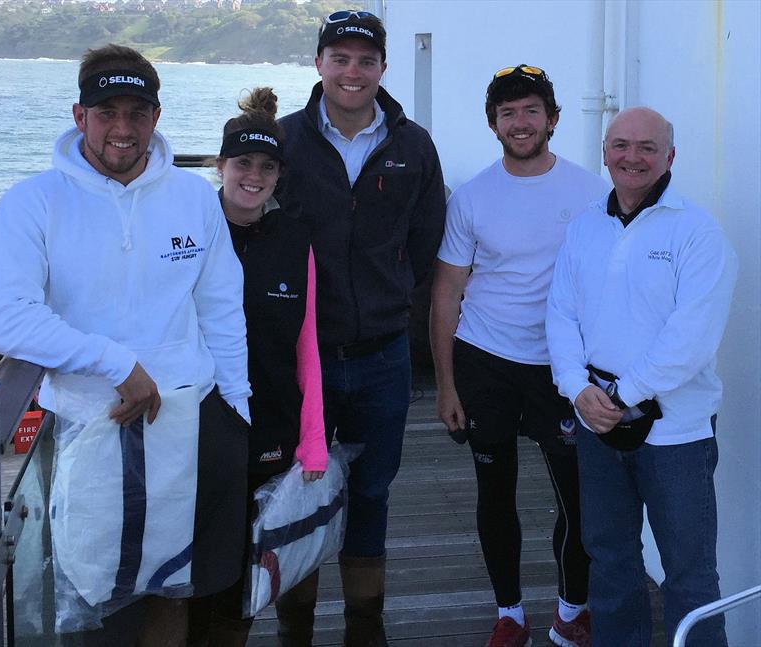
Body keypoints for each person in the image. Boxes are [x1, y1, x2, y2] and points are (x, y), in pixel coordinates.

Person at [0, 44, 251, 646]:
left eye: (137, 112)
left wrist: (236, 405)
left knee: (173, 587)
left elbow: (221, 307)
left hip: (191, 420)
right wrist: (116, 362)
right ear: (80, 116)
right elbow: (1, 319)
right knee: (92, 597)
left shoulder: (194, 198)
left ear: (157, 116)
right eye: (107, 113)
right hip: (86, 426)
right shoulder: (33, 201)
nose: (122, 129)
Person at [276, 10, 446, 645]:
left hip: (381, 355)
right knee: (297, 488)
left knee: (372, 490)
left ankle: (363, 628)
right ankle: (295, 629)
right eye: (339, 58)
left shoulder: (413, 146)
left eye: (365, 60)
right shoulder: (284, 140)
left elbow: (428, 241)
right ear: (318, 63)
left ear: (382, 68)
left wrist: (396, 300)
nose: (352, 71)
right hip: (300, 358)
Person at [430, 64, 608, 647]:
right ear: (493, 125)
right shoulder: (474, 197)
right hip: (486, 362)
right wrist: (447, 386)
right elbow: (447, 292)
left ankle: (570, 608)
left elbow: (611, 284)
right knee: (494, 493)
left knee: (575, 498)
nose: (520, 122)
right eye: (507, 113)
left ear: (552, 119)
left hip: (563, 368)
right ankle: (509, 614)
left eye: (531, 110)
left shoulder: (590, 192)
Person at [546, 106, 737, 646]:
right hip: (596, 423)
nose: (633, 157)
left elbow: (691, 339)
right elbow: (560, 314)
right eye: (621, 145)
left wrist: (620, 395)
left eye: (647, 147)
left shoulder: (697, 233)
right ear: (605, 152)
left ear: (670, 157)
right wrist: (578, 388)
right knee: (609, 560)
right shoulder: (585, 227)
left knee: (690, 574)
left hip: (676, 433)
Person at [187, 86, 329, 647]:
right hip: (195, 431)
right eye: (241, 162)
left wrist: (313, 442)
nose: (253, 175)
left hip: (270, 427)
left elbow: (307, 347)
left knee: (248, 572)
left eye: (266, 166)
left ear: (278, 175)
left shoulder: (294, 240)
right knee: (197, 569)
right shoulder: (191, 232)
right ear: (220, 166)